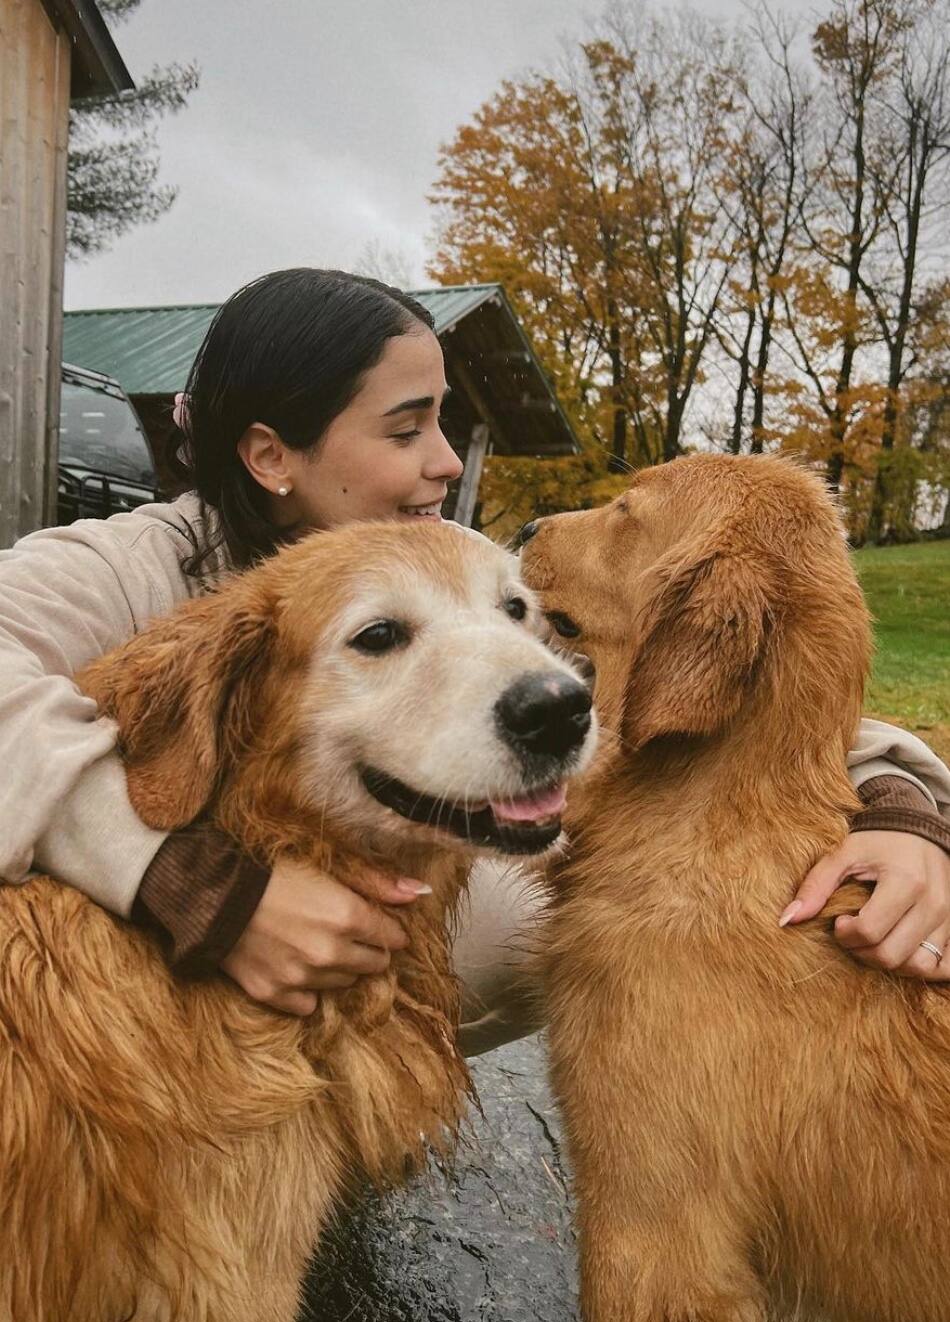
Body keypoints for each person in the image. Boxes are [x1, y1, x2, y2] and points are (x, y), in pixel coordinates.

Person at [0, 268, 948, 1056]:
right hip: (116, 1014)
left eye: (443, 423)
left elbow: (678, 697)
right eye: (405, 429)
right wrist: (188, 884)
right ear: (270, 456)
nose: (449, 461)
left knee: (582, 892)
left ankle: (336, 1108)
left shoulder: (456, 569)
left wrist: (898, 810)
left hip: (352, 953)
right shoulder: (123, 567)